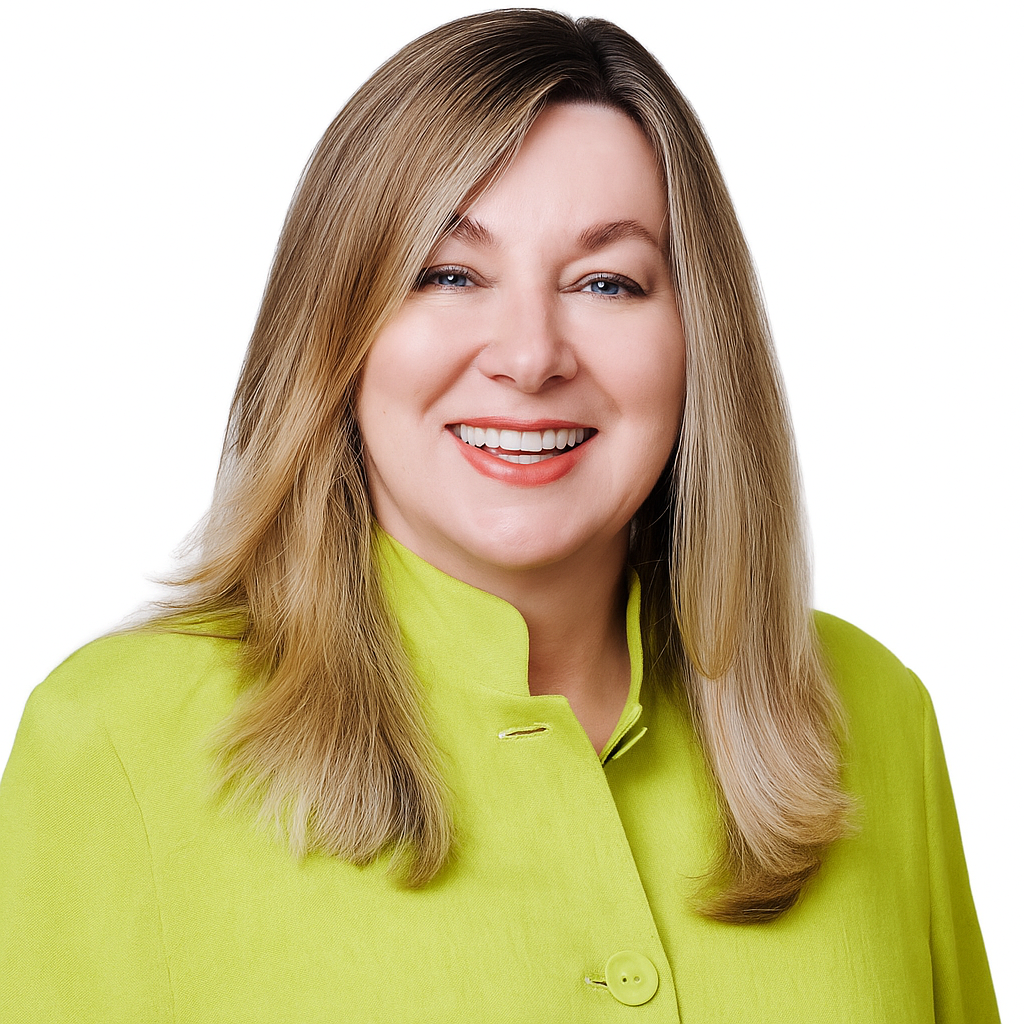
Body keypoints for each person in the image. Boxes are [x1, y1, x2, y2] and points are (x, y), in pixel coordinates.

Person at [0, 9, 999, 1022]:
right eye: (448, 275)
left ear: (698, 338)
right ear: (335, 330)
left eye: (607, 281)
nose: (529, 357)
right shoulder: (115, 745)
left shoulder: (871, 715)